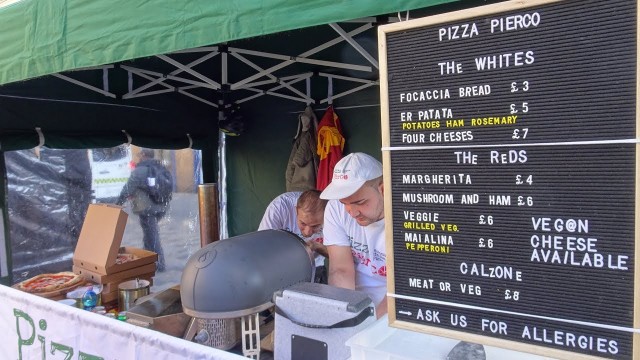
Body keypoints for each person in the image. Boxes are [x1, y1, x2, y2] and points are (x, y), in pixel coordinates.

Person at [320, 152, 387, 318]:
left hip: (393, 306)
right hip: (356, 302)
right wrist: (343, 318)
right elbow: (341, 270)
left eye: (360, 202)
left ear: (384, 189)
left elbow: (402, 289)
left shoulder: (409, 216)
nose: (352, 212)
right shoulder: (335, 209)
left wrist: (372, 328)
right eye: (345, 203)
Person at [116, 148, 170, 272]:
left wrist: (118, 203)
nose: (138, 157)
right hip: (161, 206)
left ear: (144, 155)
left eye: (140, 155)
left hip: (147, 208)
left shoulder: (140, 170)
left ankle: (159, 263)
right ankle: (149, 260)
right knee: (149, 235)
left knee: (152, 236)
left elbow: (128, 189)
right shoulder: (160, 167)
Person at [258, 189, 329, 283]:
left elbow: (340, 256)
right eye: (303, 223)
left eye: (315, 226)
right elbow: (262, 245)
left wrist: (315, 246)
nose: (308, 232)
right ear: (296, 210)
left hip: (315, 267)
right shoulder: (280, 207)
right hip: (281, 268)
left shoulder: (332, 214)